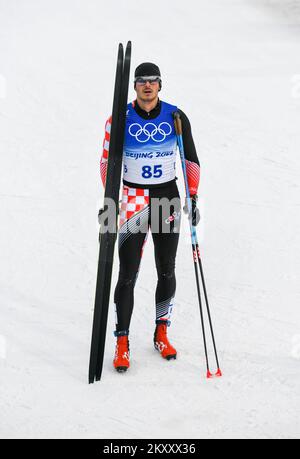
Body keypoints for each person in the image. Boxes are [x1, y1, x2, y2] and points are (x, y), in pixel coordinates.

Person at [100, 62, 200, 373]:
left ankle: (161, 332)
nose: (147, 86)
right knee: (128, 273)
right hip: (133, 199)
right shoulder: (119, 119)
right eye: (142, 81)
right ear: (134, 86)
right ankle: (122, 341)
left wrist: (193, 195)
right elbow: (106, 162)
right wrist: (110, 199)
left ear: (160, 85)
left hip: (166, 197)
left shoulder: (175, 116)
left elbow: (190, 159)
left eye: (153, 81)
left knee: (166, 269)